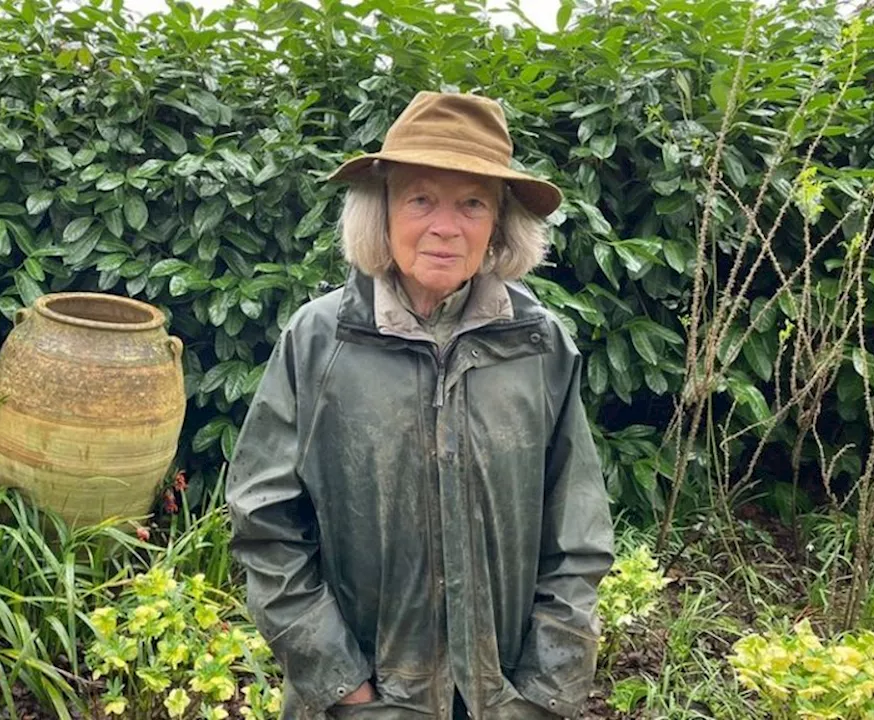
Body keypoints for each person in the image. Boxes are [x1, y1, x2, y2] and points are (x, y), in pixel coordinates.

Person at [225, 91, 615, 720]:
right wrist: (346, 690)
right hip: (359, 698)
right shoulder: (319, 339)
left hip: (502, 698)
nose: (445, 226)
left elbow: (577, 535)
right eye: (420, 199)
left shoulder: (539, 344)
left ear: (498, 225)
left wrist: (542, 695)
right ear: (382, 213)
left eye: (472, 204)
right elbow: (266, 526)